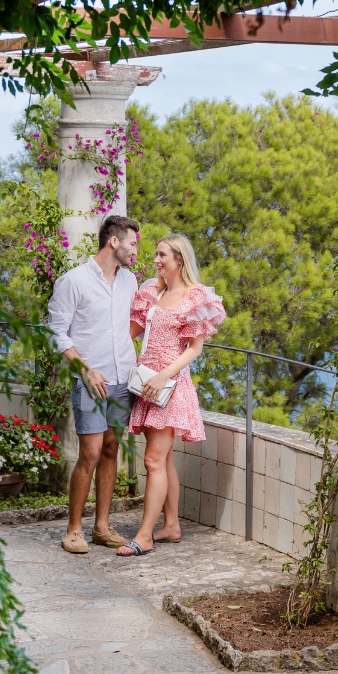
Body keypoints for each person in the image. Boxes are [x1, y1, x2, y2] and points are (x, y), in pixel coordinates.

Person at [117, 234, 225, 556]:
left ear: (179, 259)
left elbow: (194, 350)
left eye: (162, 255)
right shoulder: (153, 291)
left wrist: (164, 375)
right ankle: (172, 525)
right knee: (163, 459)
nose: (156, 260)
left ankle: (145, 535)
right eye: (156, 254)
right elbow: (129, 333)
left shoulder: (195, 297)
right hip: (146, 383)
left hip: (171, 385)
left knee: (152, 460)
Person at [48, 214, 140, 554]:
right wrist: (85, 369)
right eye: (132, 243)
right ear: (113, 241)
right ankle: (74, 529)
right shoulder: (73, 281)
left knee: (111, 450)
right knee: (89, 453)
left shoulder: (130, 281)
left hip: (122, 382)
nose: (135, 251)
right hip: (91, 382)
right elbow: (58, 333)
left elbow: (135, 322)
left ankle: (101, 527)